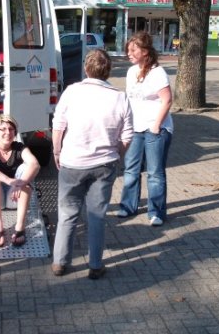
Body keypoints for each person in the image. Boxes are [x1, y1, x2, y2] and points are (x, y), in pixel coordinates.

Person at [51, 49, 133, 279]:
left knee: (67, 212)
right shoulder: (120, 96)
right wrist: (117, 154)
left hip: (72, 162)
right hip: (104, 164)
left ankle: (60, 262)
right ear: (108, 71)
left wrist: (57, 151)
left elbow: (58, 124)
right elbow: (127, 135)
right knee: (97, 215)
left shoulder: (72, 91)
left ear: (86, 68)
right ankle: (95, 265)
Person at [117, 31, 174, 227]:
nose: (129, 53)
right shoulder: (131, 72)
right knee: (131, 169)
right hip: (135, 128)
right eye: (128, 50)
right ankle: (128, 206)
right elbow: (129, 100)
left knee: (155, 173)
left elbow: (167, 100)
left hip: (156, 128)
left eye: (133, 50)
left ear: (145, 51)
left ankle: (156, 211)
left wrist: (157, 125)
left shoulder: (157, 73)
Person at [0, 114, 40, 248]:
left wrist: (21, 183)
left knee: (26, 168)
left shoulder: (20, 148)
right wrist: (8, 180)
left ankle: (20, 227)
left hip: (14, 198)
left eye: (11, 129)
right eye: (3, 129)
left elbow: (35, 164)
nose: (8, 132)